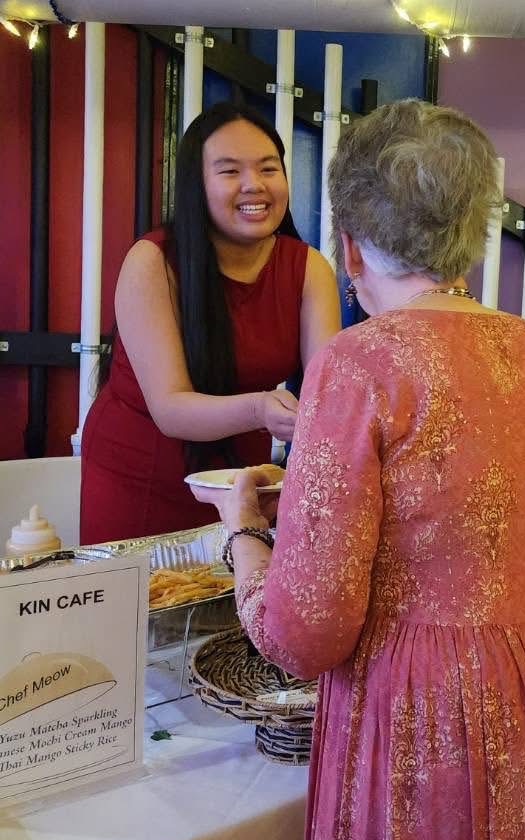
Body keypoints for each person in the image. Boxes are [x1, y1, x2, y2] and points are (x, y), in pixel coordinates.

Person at [197, 99, 525, 840]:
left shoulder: (359, 365)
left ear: (349, 244)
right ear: (469, 233)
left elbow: (304, 634)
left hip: (435, 718)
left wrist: (244, 534)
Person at [79, 103, 339, 544]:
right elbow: (170, 408)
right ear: (196, 185)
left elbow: (325, 392)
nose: (254, 185)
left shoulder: (309, 268)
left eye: (268, 168)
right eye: (230, 171)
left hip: (241, 476)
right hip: (141, 470)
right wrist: (260, 409)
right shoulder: (154, 261)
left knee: (236, 584)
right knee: (144, 589)